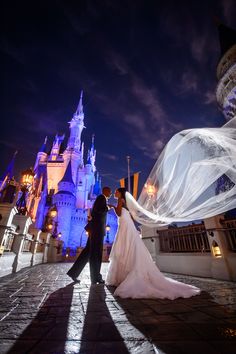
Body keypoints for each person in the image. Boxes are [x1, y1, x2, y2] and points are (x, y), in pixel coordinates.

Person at [106, 187, 200, 299]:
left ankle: (124, 277)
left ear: (121, 193)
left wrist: (112, 207)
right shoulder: (125, 202)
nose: (115, 193)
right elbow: (129, 216)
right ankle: (125, 276)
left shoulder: (120, 201)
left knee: (124, 248)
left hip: (125, 226)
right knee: (128, 247)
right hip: (127, 225)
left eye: (116, 191)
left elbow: (119, 213)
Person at [67, 186, 112, 284]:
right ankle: (96, 277)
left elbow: (96, 212)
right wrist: (108, 207)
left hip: (94, 229)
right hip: (97, 230)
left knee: (87, 252)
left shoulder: (100, 198)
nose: (111, 194)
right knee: (96, 254)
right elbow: (99, 211)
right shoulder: (101, 198)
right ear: (106, 191)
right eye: (110, 192)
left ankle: (74, 273)